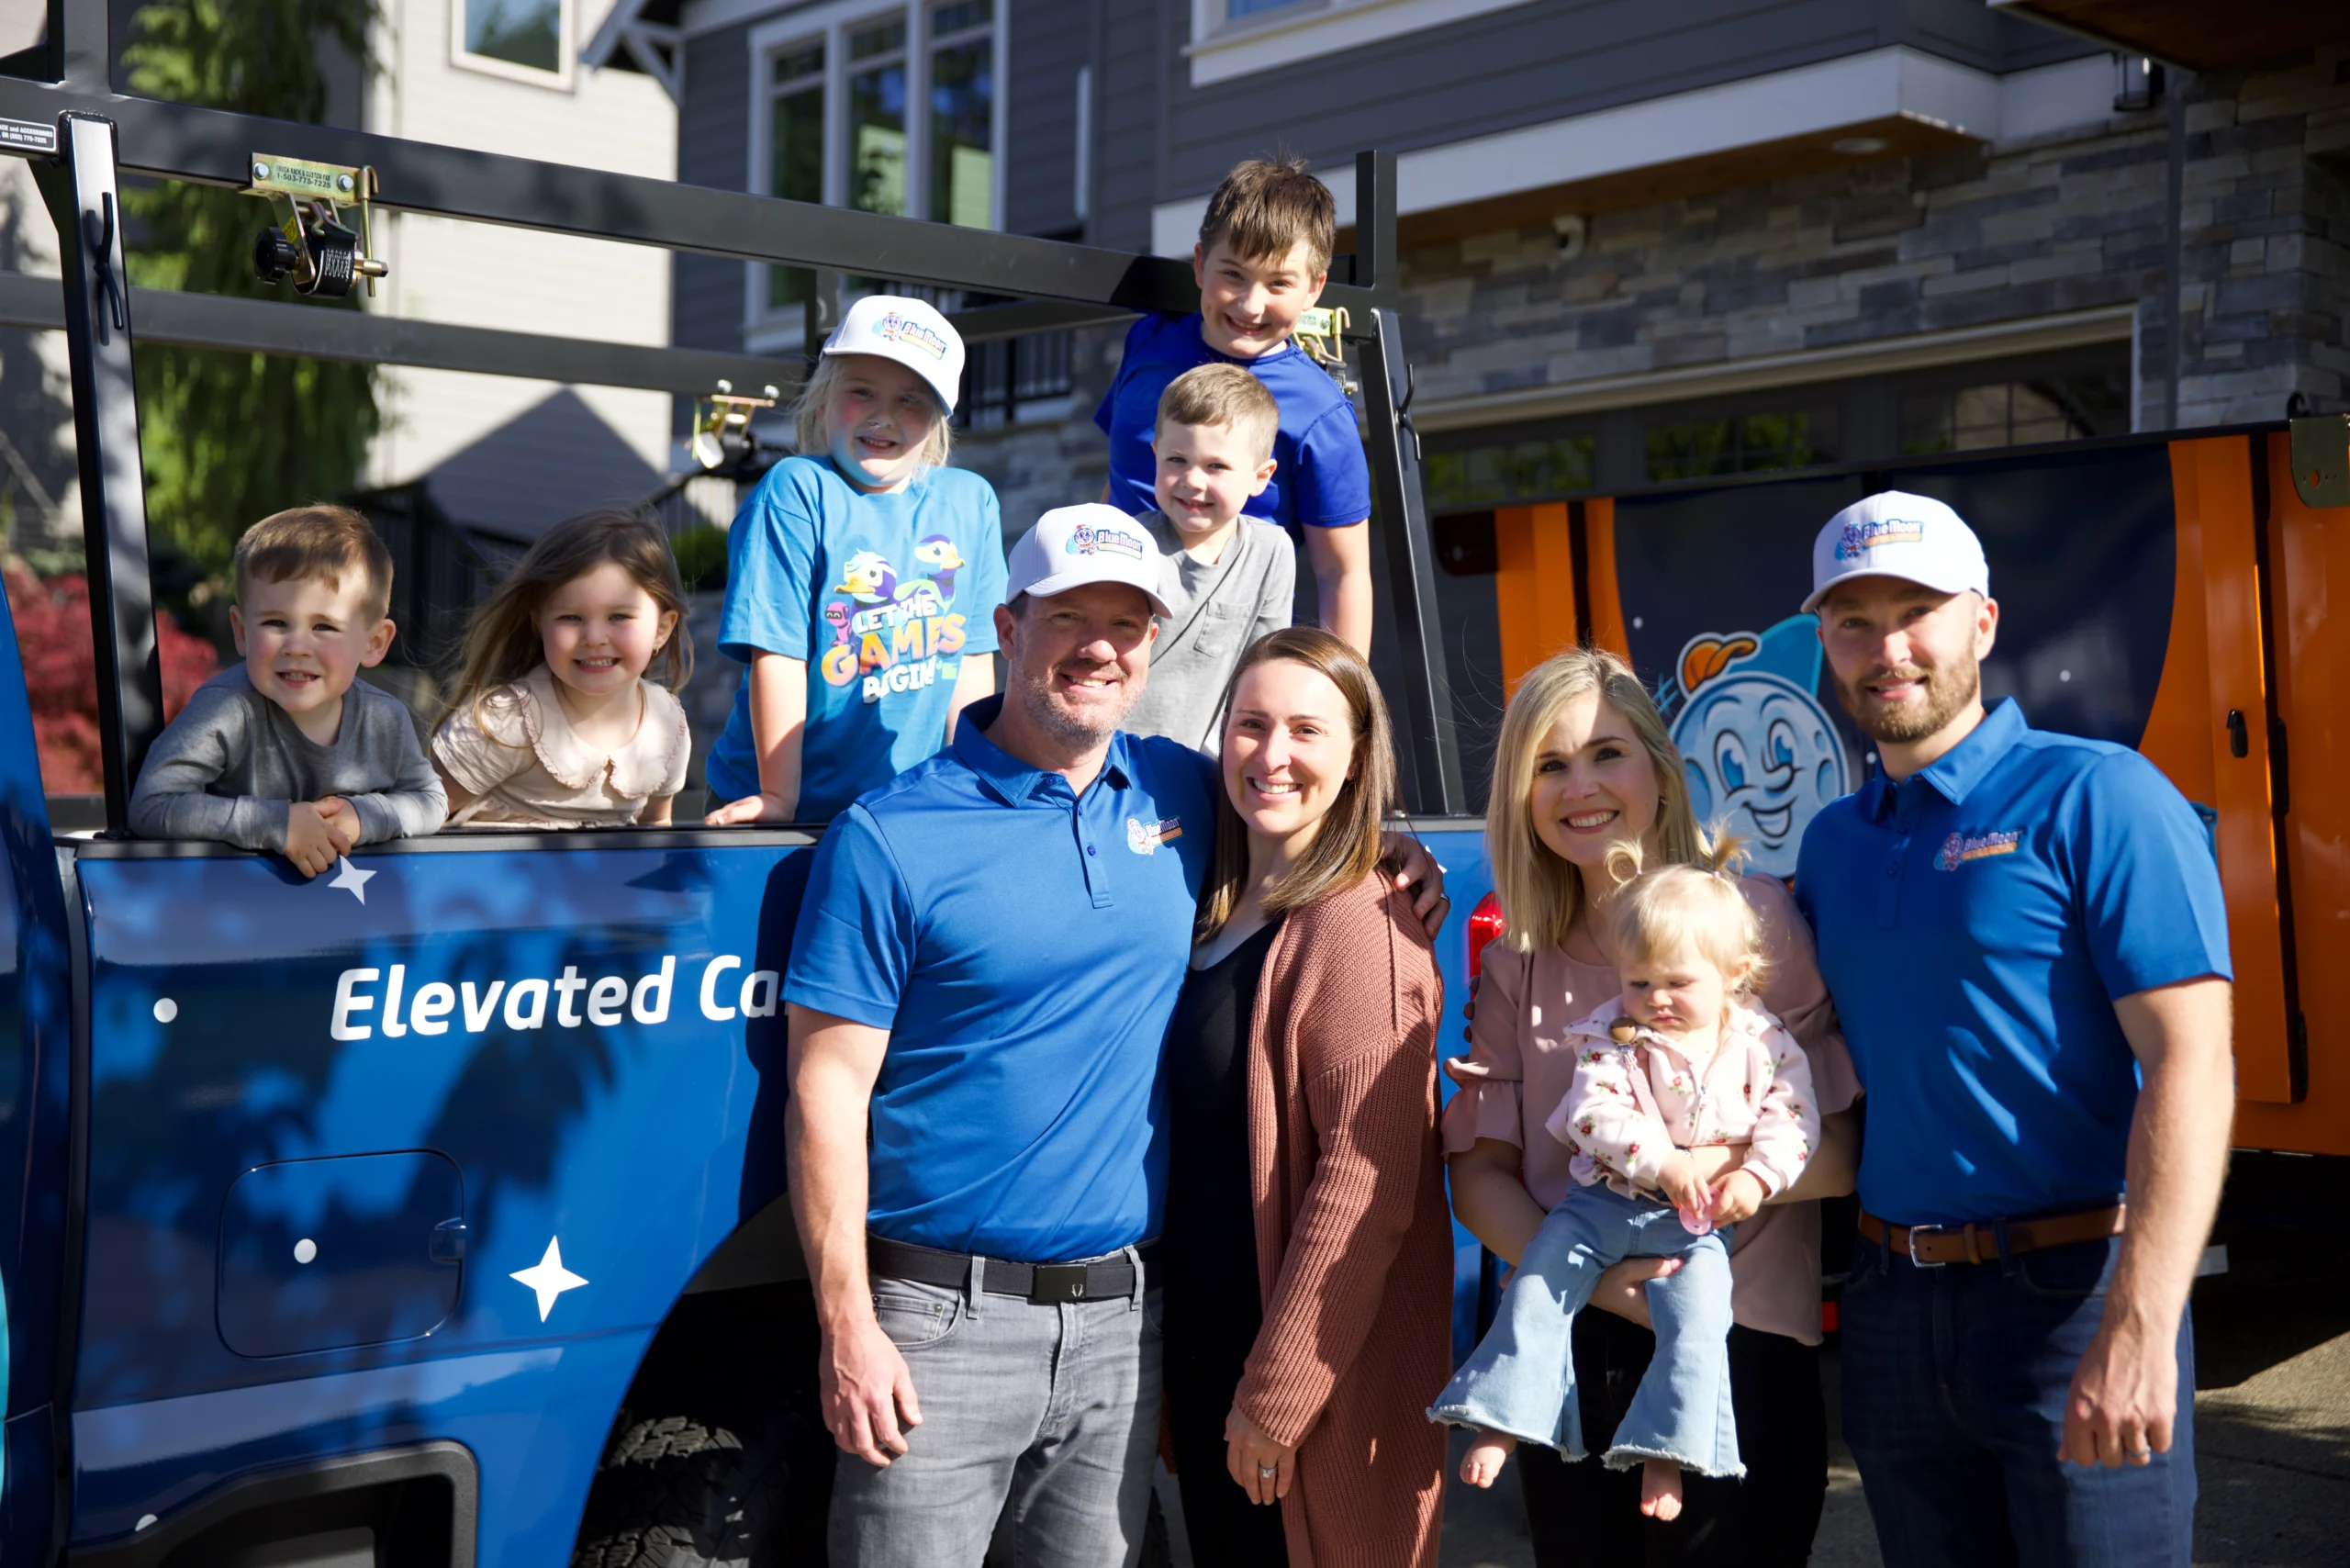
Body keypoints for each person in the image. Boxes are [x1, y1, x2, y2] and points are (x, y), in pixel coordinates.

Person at [781, 504, 1445, 1566]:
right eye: (1067, 617)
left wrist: (1397, 852)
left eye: (1127, 624)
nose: (1098, 646)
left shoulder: (1184, 789)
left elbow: (1305, 802)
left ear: (1150, 650)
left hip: (1125, 1331)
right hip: (937, 1331)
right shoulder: (889, 836)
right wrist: (848, 1326)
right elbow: (825, 1093)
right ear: (1006, 624)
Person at [1792, 491, 2234, 1568]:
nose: (1886, 647)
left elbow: (2193, 1062)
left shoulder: (2102, 796)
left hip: (2072, 1292)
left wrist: (2140, 1323)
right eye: (1853, 621)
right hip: (1890, 1307)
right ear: (1825, 644)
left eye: (1916, 611)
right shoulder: (1832, 846)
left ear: (1982, 623)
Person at [1444, 646, 1860, 1568]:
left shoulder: (1748, 919)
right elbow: (1479, 1177)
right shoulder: (1519, 955)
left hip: (1735, 1344)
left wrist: (1693, 1177)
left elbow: (1837, 1148)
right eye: (1549, 765)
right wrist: (1602, 1280)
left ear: (1659, 771)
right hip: (1568, 1337)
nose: (1579, 786)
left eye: (1606, 753)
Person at [1160, 627, 1451, 1565]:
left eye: (1305, 730)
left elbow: (1366, 1191)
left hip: (1302, 1401)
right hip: (1211, 1361)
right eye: (1250, 725)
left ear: (1357, 754)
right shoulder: (1213, 902)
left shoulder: (1360, 928)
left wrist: (1276, 1395)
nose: (1271, 755)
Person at [1436, 858, 1819, 1522]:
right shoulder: (1613, 1034)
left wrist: (1757, 1177)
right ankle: (1506, 1413)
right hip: (1598, 1205)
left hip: (1689, 1230)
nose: (1656, 998)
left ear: (1733, 976)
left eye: (1677, 982)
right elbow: (1593, 1115)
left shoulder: (1763, 1043)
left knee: (1699, 1325)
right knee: (1536, 1284)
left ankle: (1669, 1447)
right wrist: (1668, 1164)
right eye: (1639, 981)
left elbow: (1793, 1121)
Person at [704, 294, 1005, 826]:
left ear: (937, 418)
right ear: (823, 399)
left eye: (911, 400)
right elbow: (777, 654)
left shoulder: (969, 501)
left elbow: (972, 660)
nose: (883, 416)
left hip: (902, 813)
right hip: (780, 808)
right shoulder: (796, 491)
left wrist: (968, 783)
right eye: (861, 391)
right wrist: (779, 798)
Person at [1095, 155, 1374, 654]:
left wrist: (1341, 704)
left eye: (1279, 283)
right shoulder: (1149, 343)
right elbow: (1122, 476)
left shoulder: (1320, 412)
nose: (1250, 304)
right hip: (1109, 620)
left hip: (1223, 645)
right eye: (1234, 275)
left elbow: (1343, 571)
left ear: (1314, 287)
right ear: (1201, 264)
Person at [129, 506, 445, 873]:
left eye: (324, 626)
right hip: (232, 907)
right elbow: (152, 804)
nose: (297, 646)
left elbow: (430, 801)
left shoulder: (384, 719)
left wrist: (364, 816)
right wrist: (278, 824)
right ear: (242, 630)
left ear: (374, 642)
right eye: (276, 622)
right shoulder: (228, 709)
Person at [431, 510, 692, 828]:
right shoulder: (509, 721)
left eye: (619, 617)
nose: (594, 638)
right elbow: (422, 810)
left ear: (663, 628)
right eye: (571, 617)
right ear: (539, 622)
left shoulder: (667, 725)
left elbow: (656, 834)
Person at [1119, 364, 1294, 751]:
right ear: (1155, 455)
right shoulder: (1129, 545)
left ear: (1260, 477)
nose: (1192, 480)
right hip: (1113, 756)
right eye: (1176, 460)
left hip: (1206, 766)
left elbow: (1265, 670)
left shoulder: (1271, 551)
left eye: (1216, 466)